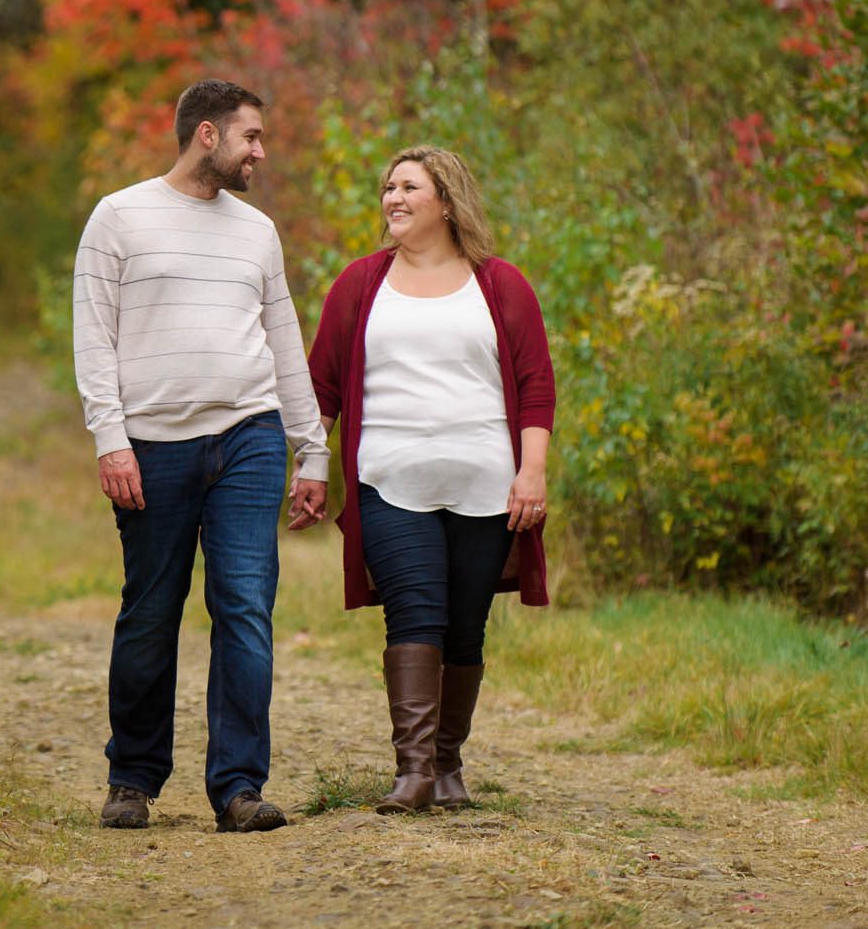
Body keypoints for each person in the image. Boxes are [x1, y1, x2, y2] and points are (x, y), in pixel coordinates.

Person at [72, 79, 332, 834]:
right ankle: (133, 778)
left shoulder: (257, 231)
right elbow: (94, 338)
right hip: (152, 441)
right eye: (252, 136)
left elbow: (285, 344)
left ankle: (239, 786)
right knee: (151, 610)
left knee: (245, 606)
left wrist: (311, 452)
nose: (262, 151)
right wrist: (110, 438)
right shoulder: (118, 217)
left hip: (248, 436)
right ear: (208, 135)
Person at [303, 145, 554, 813]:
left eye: (409, 186)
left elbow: (535, 387)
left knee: (466, 625)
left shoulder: (500, 284)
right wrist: (309, 463)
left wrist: (533, 472)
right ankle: (412, 771)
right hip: (389, 479)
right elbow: (321, 385)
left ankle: (448, 765)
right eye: (389, 188)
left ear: (445, 199)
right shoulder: (361, 283)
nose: (394, 198)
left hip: (485, 485)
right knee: (414, 613)